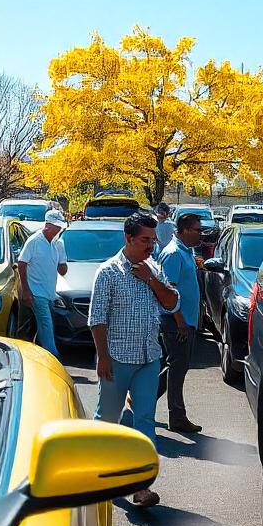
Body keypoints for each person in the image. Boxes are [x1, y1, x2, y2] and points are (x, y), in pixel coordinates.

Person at [88, 212, 180, 508]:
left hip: (148, 358)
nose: (151, 246)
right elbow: (97, 319)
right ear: (128, 238)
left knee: (145, 420)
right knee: (108, 420)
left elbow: (172, 302)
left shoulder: (154, 268)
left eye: (153, 240)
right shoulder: (108, 272)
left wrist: (151, 279)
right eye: (144, 240)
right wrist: (103, 357)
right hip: (116, 359)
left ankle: (141, 487)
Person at [158, 213, 204, 433]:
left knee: (175, 365)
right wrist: (180, 321)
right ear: (184, 230)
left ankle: (140, 399)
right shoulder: (173, 254)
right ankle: (177, 416)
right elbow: (168, 293)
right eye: (197, 230)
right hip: (176, 321)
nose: (201, 234)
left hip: (185, 320)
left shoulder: (186, 251)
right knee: (177, 368)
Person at [17, 209, 69, 356]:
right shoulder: (34, 241)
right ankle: (53, 355)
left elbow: (63, 270)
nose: (59, 230)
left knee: (40, 326)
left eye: (60, 227)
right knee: (46, 325)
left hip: (50, 293)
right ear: (47, 225)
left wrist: (62, 260)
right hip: (36, 292)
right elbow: (21, 263)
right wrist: (26, 290)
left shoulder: (58, 244)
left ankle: (36, 355)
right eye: (56, 227)